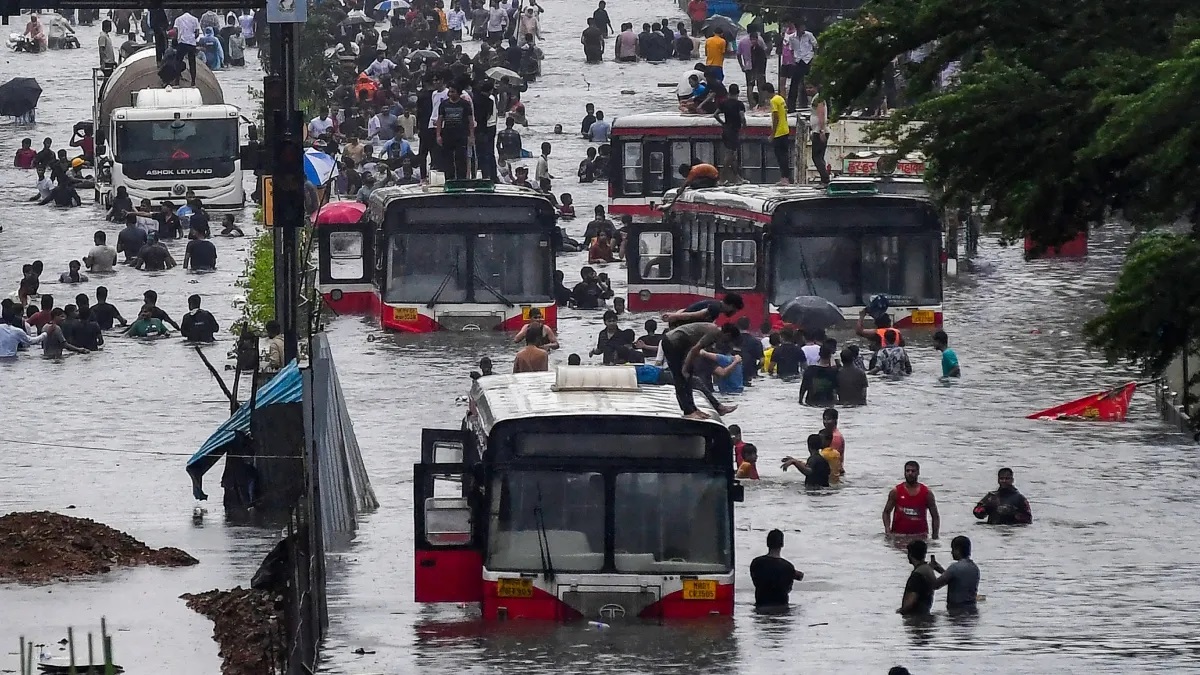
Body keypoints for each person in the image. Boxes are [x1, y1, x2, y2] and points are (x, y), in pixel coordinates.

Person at [662, 321, 740, 418]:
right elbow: (695, 349)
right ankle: (688, 411)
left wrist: (688, 367)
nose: (727, 343)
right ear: (727, 334)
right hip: (671, 342)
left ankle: (693, 409)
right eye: (729, 340)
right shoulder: (713, 333)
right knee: (680, 377)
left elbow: (696, 350)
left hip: (682, 345)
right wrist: (685, 368)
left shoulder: (714, 334)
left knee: (688, 377)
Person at [883, 461, 940, 538]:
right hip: (898, 536)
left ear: (918, 472)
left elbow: (935, 516)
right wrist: (887, 531)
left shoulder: (927, 493)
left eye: (913, 471)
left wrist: (935, 536)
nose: (910, 473)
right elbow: (886, 512)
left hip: (920, 536)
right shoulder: (896, 492)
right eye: (907, 471)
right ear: (904, 472)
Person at [749, 529, 803, 608]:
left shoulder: (756, 563)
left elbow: (755, 582)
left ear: (767, 543)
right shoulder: (788, 567)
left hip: (760, 605)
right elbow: (789, 588)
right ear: (782, 544)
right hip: (782, 608)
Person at [930, 535, 980, 612]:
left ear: (957, 550)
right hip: (972, 608)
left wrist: (929, 570)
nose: (951, 552)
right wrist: (940, 569)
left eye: (952, 549)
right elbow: (957, 579)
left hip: (956, 609)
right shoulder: (974, 568)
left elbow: (935, 585)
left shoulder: (954, 568)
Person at [436, 84, 474, 180]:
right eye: (450, 91)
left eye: (453, 92)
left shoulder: (465, 104)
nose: (450, 94)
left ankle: (462, 179)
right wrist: (438, 135)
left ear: (459, 93)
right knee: (447, 160)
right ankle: (449, 179)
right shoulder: (444, 104)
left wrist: (471, 136)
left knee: (461, 159)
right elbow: (439, 120)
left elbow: (470, 121)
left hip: (461, 136)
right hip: (447, 136)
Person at [714, 84, 746, 184]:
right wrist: (744, 126)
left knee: (733, 155)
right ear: (738, 92)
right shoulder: (739, 104)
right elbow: (742, 117)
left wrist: (723, 123)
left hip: (726, 130)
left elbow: (715, 114)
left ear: (729, 92)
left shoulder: (724, 103)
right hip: (734, 131)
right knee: (729, 155)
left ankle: (737, 178)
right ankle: (722, 178)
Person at [898, 539, 937, 616]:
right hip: (925, 614)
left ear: (910, 554)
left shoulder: (917, 575)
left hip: (915, 617)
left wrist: (901, 611)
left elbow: (911, 601)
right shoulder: (928, 569)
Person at [764, 83, 793, 185]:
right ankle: (786, 177)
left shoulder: (773, 101)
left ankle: (784, 178)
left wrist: (772, 134)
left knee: (780, 156)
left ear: (767, 91)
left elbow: (776, 117)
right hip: (785, 129)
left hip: (779, 132)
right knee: (784, 155)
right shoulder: (780, 98)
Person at [785, 21, 818, 110]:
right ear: (797, 28)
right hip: (798, 61)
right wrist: (793, 60)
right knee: (794, 83)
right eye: (801, 27)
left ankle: (818, 103)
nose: (803, 29)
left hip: (808, 59)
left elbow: (815, 46)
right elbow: (791, 50)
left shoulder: (809, 35)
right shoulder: (792, 38)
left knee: (814, 82)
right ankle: (791, 106)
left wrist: (814, 58)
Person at [663, 294, 744, 325]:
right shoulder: (715, 308)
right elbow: (694, 315)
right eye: (735, 310)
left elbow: (686, 309)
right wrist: (674, 316)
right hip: (680, 326)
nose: (734, 313)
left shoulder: (715, 303)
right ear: (731, 306)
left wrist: (676, 315)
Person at [807, 82, 831, 183]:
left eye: (810, 87)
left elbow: (821, 115)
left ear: (816, 88)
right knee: (819, 157)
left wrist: (821, 131)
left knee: (816, 157)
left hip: (820, 131)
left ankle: (825, 178)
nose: (808, 90)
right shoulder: (816, 98)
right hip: (817, 130)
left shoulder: (819, 99)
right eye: (807, 88)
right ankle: (824, 178)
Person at [173, 9, 201, 84]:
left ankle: (177, 81)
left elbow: (175, 31)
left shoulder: (178, 19)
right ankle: (193, 81)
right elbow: (197, 33)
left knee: (178, 61)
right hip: (191, 44)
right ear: (191, 10)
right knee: (192, 62)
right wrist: (192, 38)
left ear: (182, 10)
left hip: (182, 42)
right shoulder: (195, 19)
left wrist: (176, 40)